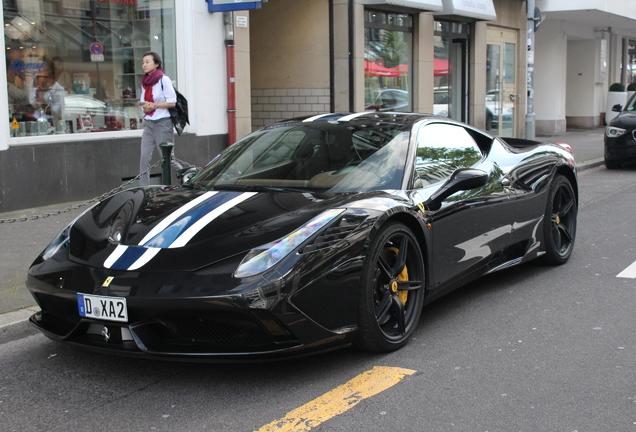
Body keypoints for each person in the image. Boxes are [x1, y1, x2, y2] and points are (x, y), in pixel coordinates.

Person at [138, 51, 182, 186]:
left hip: (163, 123)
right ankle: (143, 187)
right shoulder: (145, 81)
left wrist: (155, 106)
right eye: (143, 62)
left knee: (167, 158)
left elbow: (172, 102)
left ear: (156, 64)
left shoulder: (164, 79)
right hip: (149, 122)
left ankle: (188, 176)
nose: (144, 65)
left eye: (147, 62)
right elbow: (142, 101)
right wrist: (144, 107)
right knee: (144, 157)